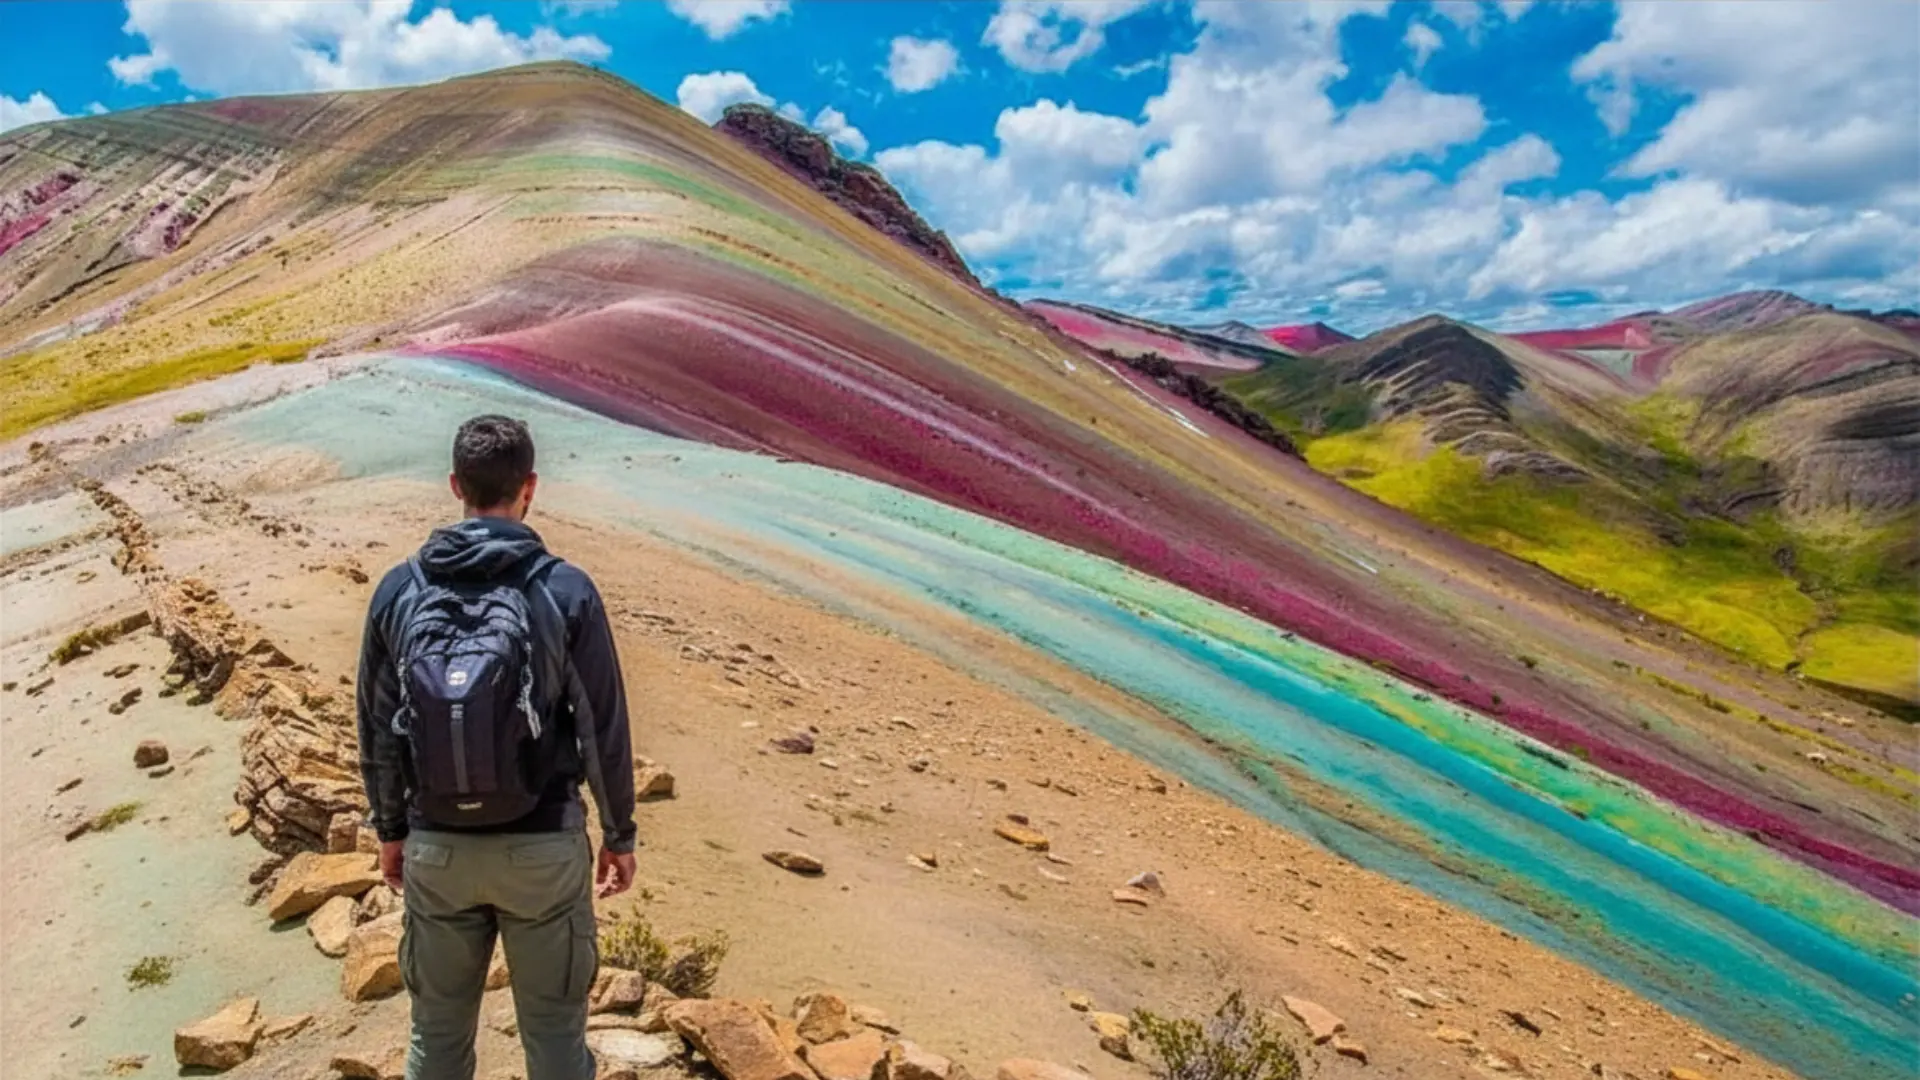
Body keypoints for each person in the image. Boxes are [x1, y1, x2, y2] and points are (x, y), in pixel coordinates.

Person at [355, 414, 637, 1080]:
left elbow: (376, 725)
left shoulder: (401, 589)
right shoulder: (563, 589)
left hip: (437, 848)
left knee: (435, 1041)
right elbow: (602, 725)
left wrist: (390, 830)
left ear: (456, 485)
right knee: (556, 1041)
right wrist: (619, 834)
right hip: (543, 849)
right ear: (529, 487)